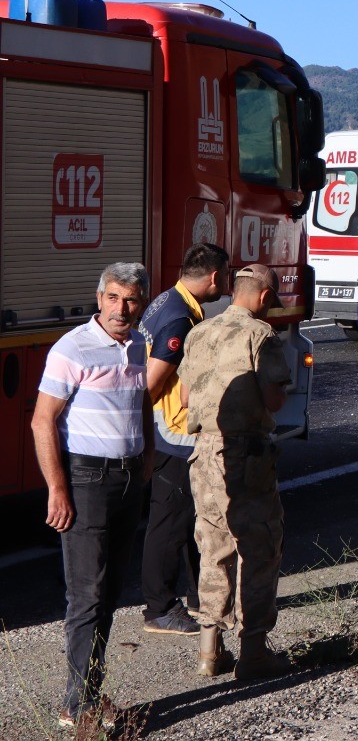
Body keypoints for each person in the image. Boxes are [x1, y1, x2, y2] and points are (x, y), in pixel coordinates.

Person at [30, 262, 152, 731]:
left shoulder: (139, 343)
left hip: (126, 481)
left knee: (111, 594)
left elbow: (142, 400)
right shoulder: (72, 348)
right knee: (86, 596)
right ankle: (76, 707)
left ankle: (89, 693)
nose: (122, 309)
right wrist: (57, 489)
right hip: (86, 480)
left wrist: (147, 454)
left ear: (142, 302)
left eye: (132, 300)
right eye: (114, 298)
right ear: (99, 298)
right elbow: (43, 421)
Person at [182, 264, 294, 681]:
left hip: (204, 452)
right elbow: (274, 399)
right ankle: (254, 653)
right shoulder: (261, 335)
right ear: (264, 297)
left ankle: (209, 651)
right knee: (258, 548)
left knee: (213, 546)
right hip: (246, 454)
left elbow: (185, 393)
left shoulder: (199, 332)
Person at [139, 242, 230, 637]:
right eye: (224, 278)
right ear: (213, 277)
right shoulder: (180, 321)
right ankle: (159, 607)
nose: (224, 286)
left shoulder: (167, 300)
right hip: (174, 434)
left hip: (166, 431)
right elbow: (152, 384)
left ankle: (198, 595)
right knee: (169, 522)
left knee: (189, 518)